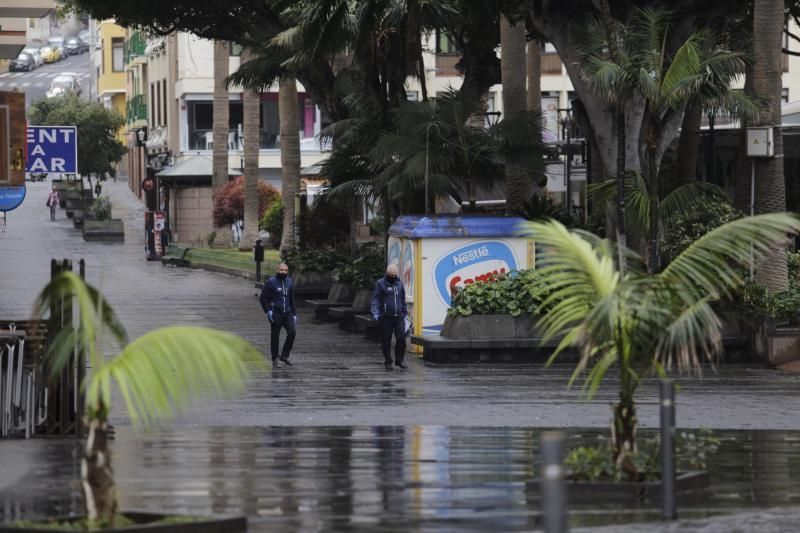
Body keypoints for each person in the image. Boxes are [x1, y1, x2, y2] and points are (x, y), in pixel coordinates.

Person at [370, 264, 409, 370]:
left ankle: (399, 360)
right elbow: (376, 299)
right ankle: (388, 361)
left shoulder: (399, 283)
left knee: (401, 338)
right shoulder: (380, 283)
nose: (393, 277)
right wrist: (375, 313)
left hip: (399, 316)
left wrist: (405, 314)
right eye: (391, 275)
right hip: (385, 316)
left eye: (395, 275)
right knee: (386, 340)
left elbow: (402, 299)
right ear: (387, 274)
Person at [259, 263, 297, 367]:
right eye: (281, 270)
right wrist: (268, 311)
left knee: (292, 332)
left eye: (285, 270)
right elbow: (263, 298)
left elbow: (291, 299)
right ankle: (275, 358)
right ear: (277, 270)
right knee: (275, 335)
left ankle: (284, 356)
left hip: (288, 312)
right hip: (276, 312)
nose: (283, 272)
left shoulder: (289, 282)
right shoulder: (271, 282)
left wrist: (294, 313)